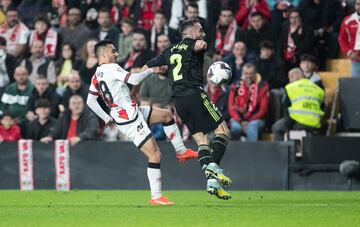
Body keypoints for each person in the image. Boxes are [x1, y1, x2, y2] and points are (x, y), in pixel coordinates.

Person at [86, 40, 197, 205]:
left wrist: (105, 117)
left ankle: (181, 151)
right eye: (113, 51)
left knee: (166, 115)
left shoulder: (96, 75)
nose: (116, 54)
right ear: (103, 54)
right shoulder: (111, 68)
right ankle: (156, 196)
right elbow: (135, 79)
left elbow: (90, 101)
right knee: (155, 155)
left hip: (131, 113)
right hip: (130, 120)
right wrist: (151, 70)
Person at [145, 19, 233, 199]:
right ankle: (213, 169)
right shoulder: (195, 43)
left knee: (202, 141)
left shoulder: (169, 50)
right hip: (194, 94)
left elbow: (146, 67)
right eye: (201, 31)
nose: (204, 34)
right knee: (223, 131)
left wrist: (136, 88)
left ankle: (212, 183)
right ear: (192, 34)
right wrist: (200, 44)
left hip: (178, 102)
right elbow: (199, 45)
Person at [272, 68, 325, 140]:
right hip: (316, 124)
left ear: (296, 77)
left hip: (299, 123)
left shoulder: (290, 88)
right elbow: (322, 107)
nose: (290, 81)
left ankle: (283, 151)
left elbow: (286, 109)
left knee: (277, 128)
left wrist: (289, 125)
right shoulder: (318, 89)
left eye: (290, 78)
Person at [228, 63, 269, 141]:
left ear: (255, 74)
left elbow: (263, 110)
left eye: (251, 73)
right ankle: (234, 152)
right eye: (246, 73)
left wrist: (248, 120)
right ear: (242, 74)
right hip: (238, 118)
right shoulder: (235, 86)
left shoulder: (262, 86)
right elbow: (231, 107)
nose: (248, 76)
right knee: (235, 129)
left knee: (252, 127)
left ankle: (251, 152)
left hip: (256, 119)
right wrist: (240, 120)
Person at [338, 0, 360, 78]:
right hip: (356, 60)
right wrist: (350, 52)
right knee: (356, 86)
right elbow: (341, 39)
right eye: (358, 4)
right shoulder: (348, 20)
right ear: (355, 6)